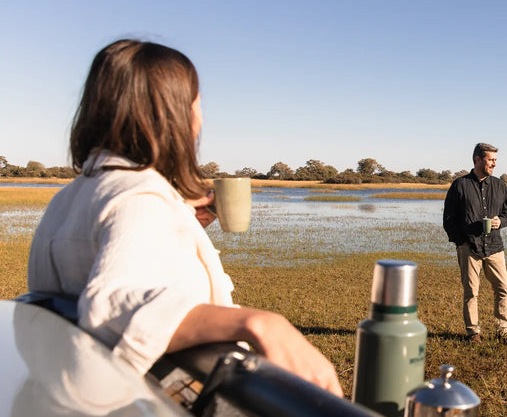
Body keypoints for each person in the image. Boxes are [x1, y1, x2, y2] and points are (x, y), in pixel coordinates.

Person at [27, 39, 342, 397]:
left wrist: (181, 223)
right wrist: (260, 323)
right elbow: (110, 308)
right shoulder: (140, 198)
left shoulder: (69, 197)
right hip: (143, 411)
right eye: (196, 102)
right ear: (173, 113)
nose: (200, 117)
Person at [442, 143, 507, 342]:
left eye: (495, 160)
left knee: (502, 289)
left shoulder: (500, 185)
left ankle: (502, 331)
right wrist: (461, 243)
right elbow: (449, 219)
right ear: (478, 159)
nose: (494, 164)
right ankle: (473, 332)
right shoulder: (460, 185)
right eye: (490, 160)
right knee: (471, 292)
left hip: (495, 247)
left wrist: (500, 222)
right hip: (469, 248)